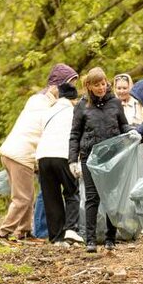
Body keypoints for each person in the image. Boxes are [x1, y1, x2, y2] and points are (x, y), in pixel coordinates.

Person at [0, 65, 74, 241]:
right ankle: (4, 232)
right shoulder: (46, 105)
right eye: (65, 87)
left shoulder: (36, 100)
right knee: (22, 198)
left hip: (12, 152)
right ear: (55, 87)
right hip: (21, 154)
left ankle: (24, 231)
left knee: (27, 195)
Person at [69, 67, 131, 253]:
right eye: (97, 85)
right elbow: (75, 134)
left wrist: (133, 131)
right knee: (92, 197)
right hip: (90, 157)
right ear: (88, 86)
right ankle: (90, 240)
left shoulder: (115, 103)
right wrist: (73, 159)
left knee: (112, 197)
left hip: (113, 157)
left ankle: (111, 238)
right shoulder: (82, 106)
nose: (101, 87)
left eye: (103, 83)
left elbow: (123, 125)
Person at [35, 81, 83, 246]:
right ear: (73, 99)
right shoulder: (75, 111)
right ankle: (71, 230)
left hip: (43, 156)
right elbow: (78, 135)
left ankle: (56, 238)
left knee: (51, 197)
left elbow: (41, 130)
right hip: (63, 155)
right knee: (71, 192)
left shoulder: (47, 111)